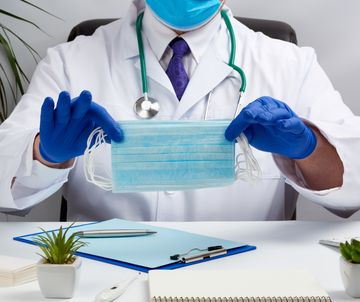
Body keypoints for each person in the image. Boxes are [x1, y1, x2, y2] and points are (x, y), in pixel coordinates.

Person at [0, 0, 359, 221]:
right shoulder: (70, 62)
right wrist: (43, 154)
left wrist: (309, 148)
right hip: (104, 287)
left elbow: (352, 189)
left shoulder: (290, 64)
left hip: (245, 281)